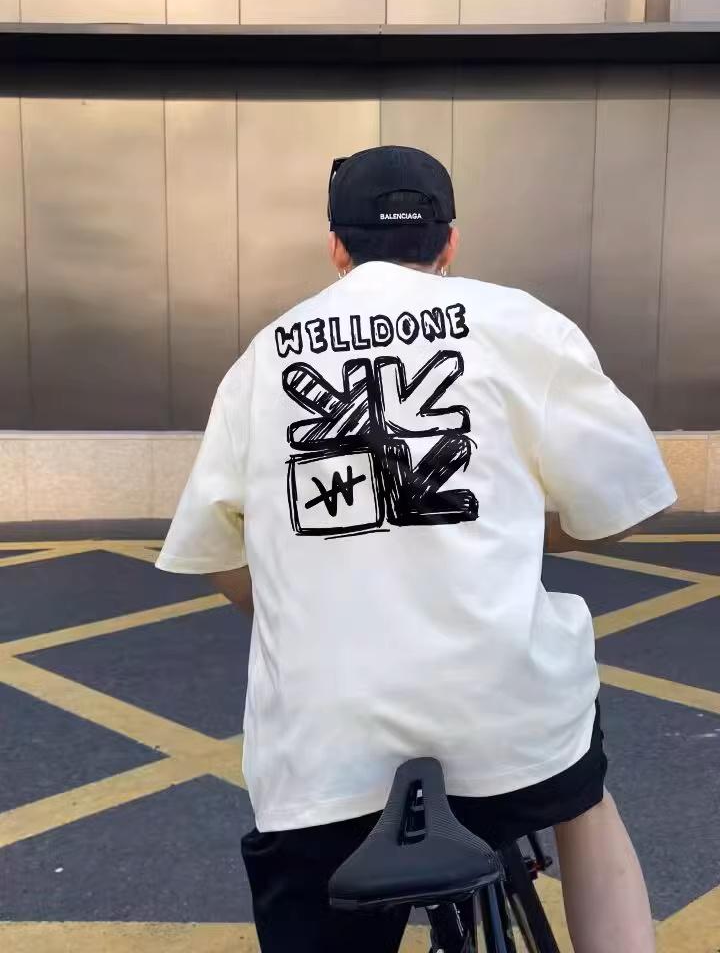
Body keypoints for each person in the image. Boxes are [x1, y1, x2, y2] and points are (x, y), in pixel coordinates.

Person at [156, 146, 676, 953]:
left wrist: (310, 601)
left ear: (337, 247)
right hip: (509, 724)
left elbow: (215, 553)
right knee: (583, 801)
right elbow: (625, 506)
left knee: (315, 897)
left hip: (327, 749)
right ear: (450, 241)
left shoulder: (263, 359)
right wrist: (516, 528)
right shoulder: (521, 324)